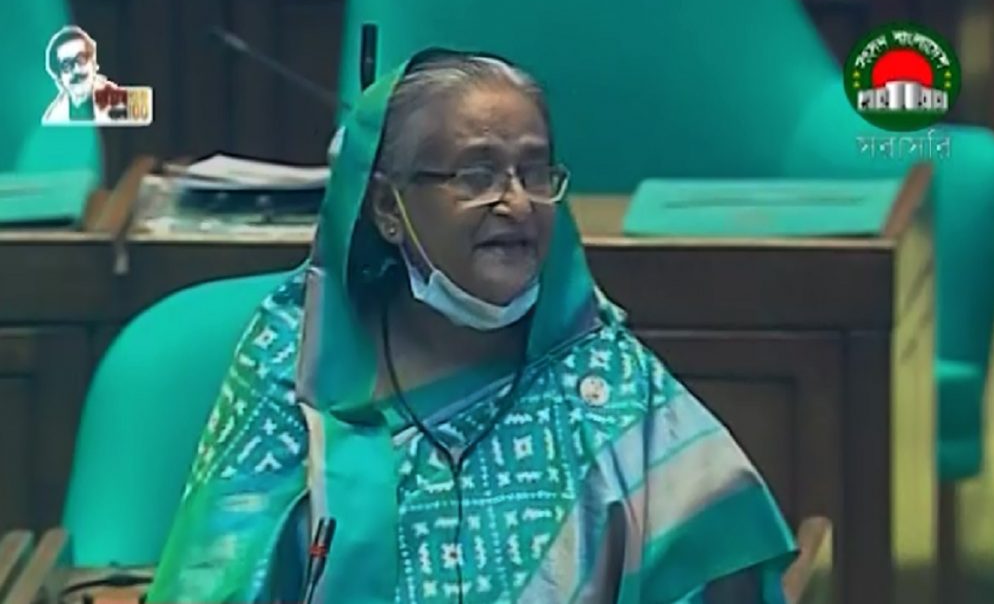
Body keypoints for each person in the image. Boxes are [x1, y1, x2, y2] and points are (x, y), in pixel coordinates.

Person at [148, 48, 797, 603]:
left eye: (535, 173)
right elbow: (212, 578)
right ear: (389, 207)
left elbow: (724, 565)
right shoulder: (296, 363)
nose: (515, 203)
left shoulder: (606, 382)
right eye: (477, 175)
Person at [42, 25, 121, 124]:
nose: (77, 70)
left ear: (93, 63)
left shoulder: (122, 103)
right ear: (59, 77)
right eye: (67, 65)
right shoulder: (53, 119)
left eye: (81, 59)